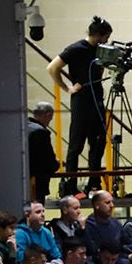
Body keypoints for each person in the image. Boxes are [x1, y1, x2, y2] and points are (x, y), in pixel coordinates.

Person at [47, 17, 113, 195]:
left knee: (98, 143)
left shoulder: (101, 51)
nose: (107, 41)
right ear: (98, 35)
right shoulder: (76, 49)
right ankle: (71, 185)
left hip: (97, 99)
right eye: (106, 37)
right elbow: (52, 68)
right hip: (81, 100)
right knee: (76, 145)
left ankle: (94, 182)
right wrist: (66, 88)